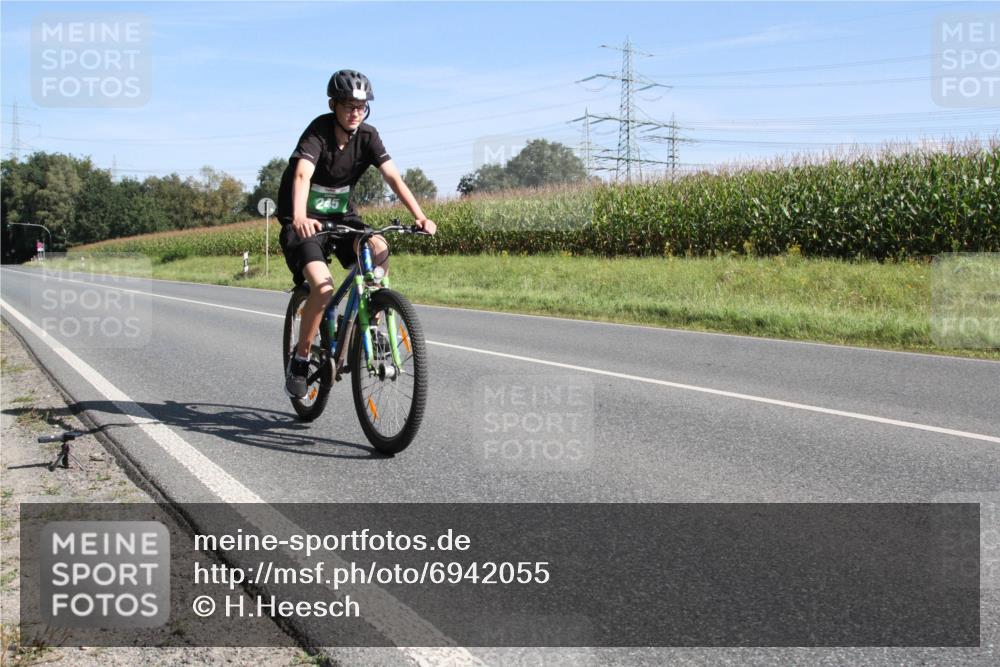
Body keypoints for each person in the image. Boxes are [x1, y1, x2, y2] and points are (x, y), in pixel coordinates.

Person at [277, 69, 436, 398]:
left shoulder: (368, 136)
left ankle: (374, 319)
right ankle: (301, 358)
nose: (355, 113)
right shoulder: (318, 132)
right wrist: (298, 217)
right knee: (322, 287)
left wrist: (420, 216)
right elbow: (302, 175)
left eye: (361, 107)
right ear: (333, 104)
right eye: (349, 105)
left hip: (341, 216)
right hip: (305, 218)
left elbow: (393, 177)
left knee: (379, 246)